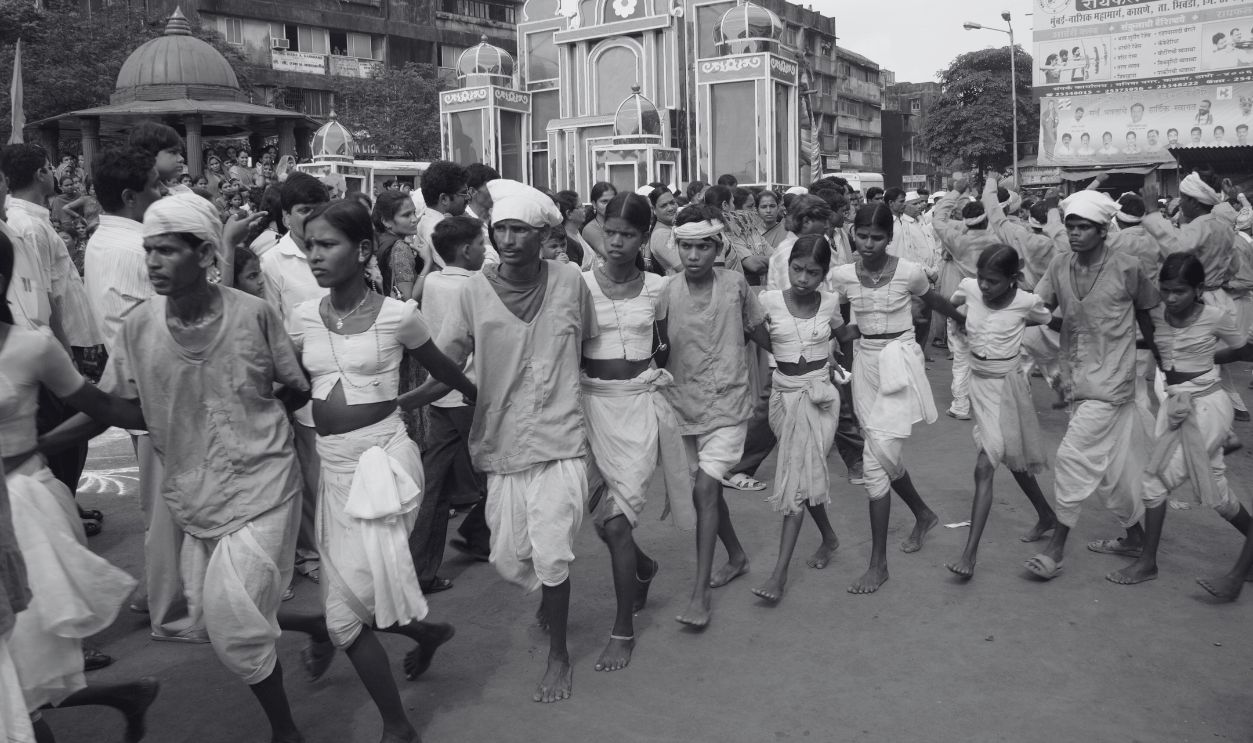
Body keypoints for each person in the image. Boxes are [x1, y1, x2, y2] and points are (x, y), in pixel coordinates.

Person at [40, 193, 326, 743]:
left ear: (204, 253)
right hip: (192, 491)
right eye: (148, 251)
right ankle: (312, 625)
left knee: (236, 625)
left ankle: (286, 732)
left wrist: (255, 424)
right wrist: (46, 435)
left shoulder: (252, 314)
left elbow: (294, 387)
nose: (151, 263)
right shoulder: (138, 327)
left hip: (265, 483)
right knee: (217, 614)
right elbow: (122, 408)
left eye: (166, 251)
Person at [406, 179, 595, 703]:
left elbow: (591, 349)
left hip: (562, 438)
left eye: (519, 230)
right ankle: (550, 593)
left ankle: (558, 653)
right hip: (501, 440)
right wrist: (401, 405)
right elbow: (448, 364)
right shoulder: (472, 291)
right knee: (509, 559)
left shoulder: (570, 280)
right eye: (501, 230)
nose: (508, 240)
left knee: (553, 553)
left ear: (542, 235)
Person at [291, 200, 470, 740]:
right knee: (363, 592)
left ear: (363, 250)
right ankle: (427, 632)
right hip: (335, 467)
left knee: (347, 614)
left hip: (386, 466)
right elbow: (288, 388)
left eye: (327, 244)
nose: (314, 254)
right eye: (310, 244)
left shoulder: (399, 316)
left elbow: (449, 373)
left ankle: (397, 725)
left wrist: (479, 413)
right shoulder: (300, 317)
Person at [0, 232, 160, 743]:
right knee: (17, 676)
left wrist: (171, 406)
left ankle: (122, 697)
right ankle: (123, 696)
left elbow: (104, 409)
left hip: (23, 508)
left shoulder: (33, 346)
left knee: (20, 665)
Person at [828, 202, 966, 594]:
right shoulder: (842, 276)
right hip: (865, 368)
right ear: (853, 233)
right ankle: (923, 514)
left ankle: (878, 564)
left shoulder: (909, 273)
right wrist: (843, 336)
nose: (868, 243)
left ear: (890, 238)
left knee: (875, 463)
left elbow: (935, 301)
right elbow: (828, 311)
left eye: (877, 237)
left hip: (900, 364)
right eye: (862, 235)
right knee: (883, 453)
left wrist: (964, 323)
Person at [577, 191, 688, 670]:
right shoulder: (578, 285)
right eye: (609, 231)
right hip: (588, 409)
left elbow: (663, 346)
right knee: (601, 518)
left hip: (639, 408)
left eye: (627, 234)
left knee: (618, 520)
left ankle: (623, 629)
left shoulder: (659, 288)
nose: (616, 242)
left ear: (644, 238)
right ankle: (643, 567)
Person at [1024, 190, 1160, 581]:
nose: (1075, 233)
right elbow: (1040, 309)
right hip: (1076, 379)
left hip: (1114, 380)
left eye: (1084, 227)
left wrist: (1168, 364)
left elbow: (1149, 317)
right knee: (1111, 468)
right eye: (1070, 226)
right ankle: (1135, 536)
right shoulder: (1060, 264)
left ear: (1103, 230)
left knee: (1072, 458)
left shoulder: (1128, 267)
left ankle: (1057, 548)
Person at [1107, 254, 1252, 585]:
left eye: (1180, 291)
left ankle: (1148, 563)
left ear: (1199, 289)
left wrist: (1208, 358)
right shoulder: (1158, 317)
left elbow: (1243, 348)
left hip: (1205, 408)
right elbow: (1156, 341)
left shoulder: (1215, 317)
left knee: (1154, 482)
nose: (1171, 298)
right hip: (1175, 406)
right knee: (1215, 488)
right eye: (1166, 290)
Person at [658, 205, 768, 627]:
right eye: (685, 246)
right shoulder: (665, 292)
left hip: (728, 403)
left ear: (716, 246)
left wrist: (805, 360)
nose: (693, 255)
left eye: (702, 246)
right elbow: (654, 345)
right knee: (710, 493)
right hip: (681, 405)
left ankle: (700, 592)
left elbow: (757, 328)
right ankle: (737, 556)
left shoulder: (736, 284)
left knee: (705, 489)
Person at [944, 246, 1059, 579]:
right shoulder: (968, 288)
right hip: (977, 387)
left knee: (985, 466)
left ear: (1012, 280)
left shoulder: (1026, 302)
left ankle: (969, 555)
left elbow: (1047, 320)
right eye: (981, 278)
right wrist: (960, 326)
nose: (984, 286)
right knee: (1010, 455)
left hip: (1007, 390)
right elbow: (952, 307)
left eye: (993, 281)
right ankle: (1046, 514)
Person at [750, 234, 844, 604]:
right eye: (798, 269)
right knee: (806, 475)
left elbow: (843, 334)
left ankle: (779, 574)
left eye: (813, 273)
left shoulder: (831, 302)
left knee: (797, 480)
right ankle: (830, 537)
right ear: (788, 266)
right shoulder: (768, 301)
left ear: (824, 275)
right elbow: (755, 332)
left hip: (820, 398)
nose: (803, 278)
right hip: (781, 397)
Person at [408, 214, 490, 590]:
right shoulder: (477, 286)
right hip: (471, 392)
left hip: (440, 396)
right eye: (480, 243)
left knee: (436, 485)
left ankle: (420, 568)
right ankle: (478, 532)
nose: (485, 249)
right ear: (464, 249)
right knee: (500, 473)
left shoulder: (435, 283)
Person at [259, 172, 331, 588]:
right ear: (286, 216)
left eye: (317, 210)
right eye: (304, 211)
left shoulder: (334, 249)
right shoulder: (273, 262)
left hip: (341, 376)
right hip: (299, 382)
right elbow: (270, 327)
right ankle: (309, 553)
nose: (311, 219)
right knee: (310, 475)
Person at [1142, 173, 1247, 420]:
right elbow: (1233, 266)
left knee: (1173, 367)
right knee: (1209, 364)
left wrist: (1152, 213)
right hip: (1219, 298)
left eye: (1184, 198)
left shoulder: (1202, 224)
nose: (1180, 202)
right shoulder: (1223, 226)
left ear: (1193, 202)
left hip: (1195, 304)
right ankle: (1229, 418)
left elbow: (1176, 251)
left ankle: (1188, 419)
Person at [933, 184, 1004, 420]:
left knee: (962, 357)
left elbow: (939, 217)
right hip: (994, 302)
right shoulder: (998, 237)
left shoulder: (957, 240)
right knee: (993, 356)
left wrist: (955, 191)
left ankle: (960, 405)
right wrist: (991, 188)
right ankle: (991, 406)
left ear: (965, 221)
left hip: (966, 301)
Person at [412, 160, 470, 268]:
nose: (468, 197)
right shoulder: (442, 233)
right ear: (444, 199)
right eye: (464, 193)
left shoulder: (426, 222)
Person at [371, 191, 427, 301]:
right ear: (386, 221)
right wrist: (428, 263)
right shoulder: (400, 248)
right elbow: (408, 300)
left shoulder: (377, 239)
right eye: (406, 215)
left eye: (414, 213)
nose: (414, 219)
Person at [126, 122, 185, 186]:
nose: (181, 159)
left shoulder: (183, 191)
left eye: (180, 153)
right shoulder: (139, 194)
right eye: (173, 152)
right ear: (147, 154)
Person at [647, 185, 680, 274]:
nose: (670, 208)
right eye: (664, 206)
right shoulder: (660, 235)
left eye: (672, 202)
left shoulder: (671, 227)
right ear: (654, 209)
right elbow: (684, 268)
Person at [582, 181, 617, 261]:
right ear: (594, 204)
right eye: (604, 201)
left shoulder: (620, 224)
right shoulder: (590, 229)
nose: (609, 205)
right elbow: (612, 256)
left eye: (612, 201)